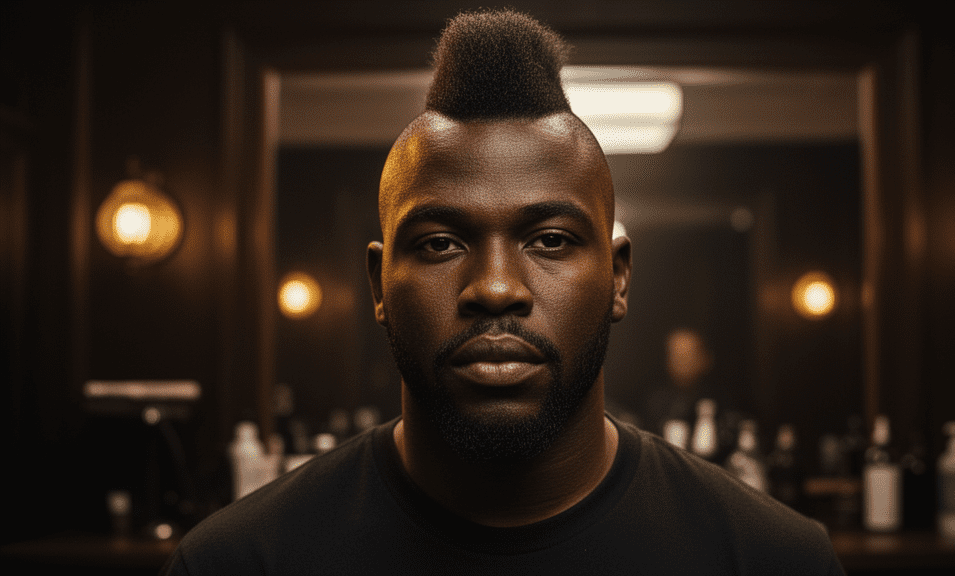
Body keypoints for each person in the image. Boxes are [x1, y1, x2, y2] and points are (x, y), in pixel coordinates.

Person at [162, 9, 845, 575]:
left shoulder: (772, 561)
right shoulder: (237, 565)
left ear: (619, 277)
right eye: (439, 243)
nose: (494, 288)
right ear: (378, 284)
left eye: (549, 241)